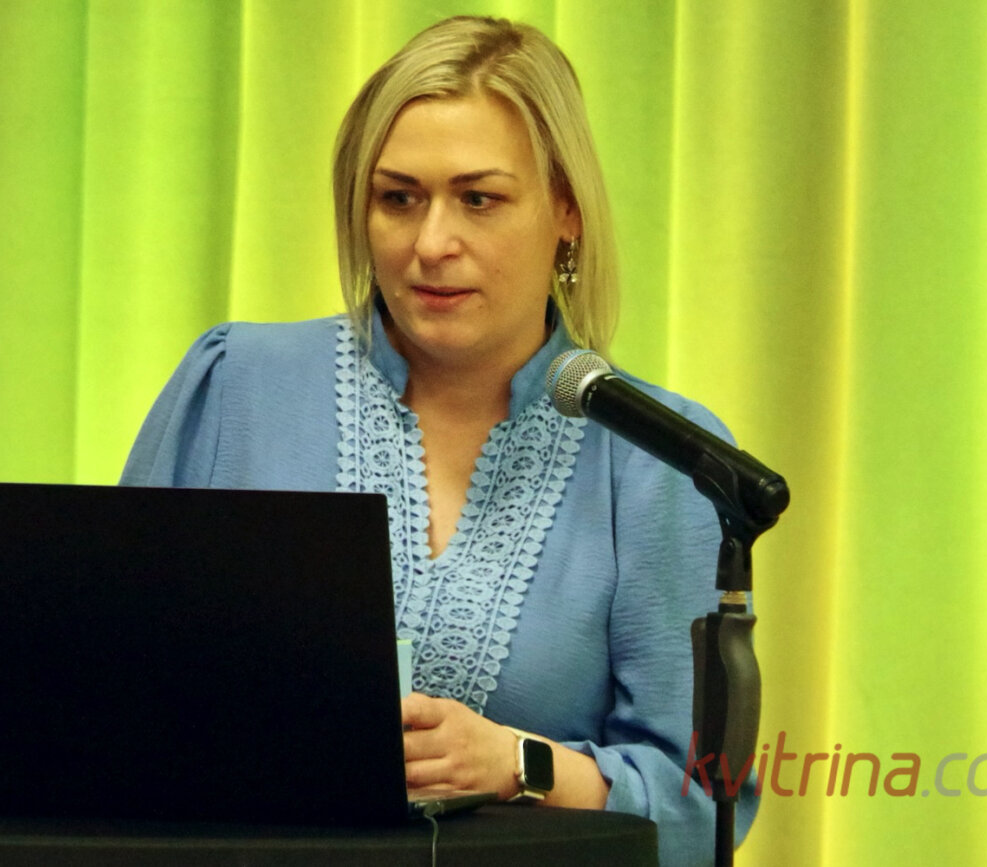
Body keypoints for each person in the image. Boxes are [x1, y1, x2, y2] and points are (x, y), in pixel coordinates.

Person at [121, 15, 757, 865]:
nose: (431, 244)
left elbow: (703, 810)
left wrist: (516, 764)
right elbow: (102, 696)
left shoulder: (662, 460)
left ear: (567, 210)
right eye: (399, 198)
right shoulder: (234, 386)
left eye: (478, 199)